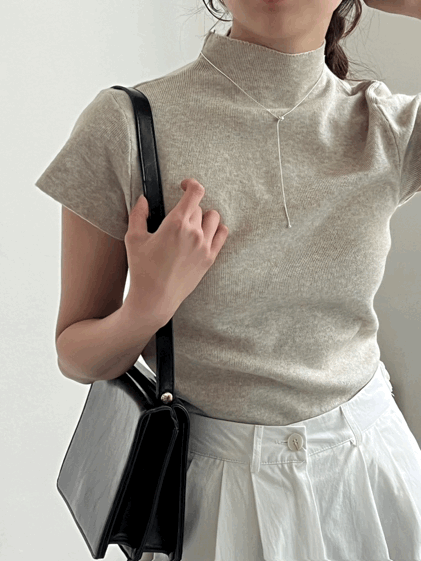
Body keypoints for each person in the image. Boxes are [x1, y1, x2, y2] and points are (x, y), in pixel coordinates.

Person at [35, 0, 421, 558]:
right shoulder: (125, 123)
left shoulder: (388, 127)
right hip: (211, 499)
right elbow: (75, 354)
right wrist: (146, 309)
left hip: (373, 477)